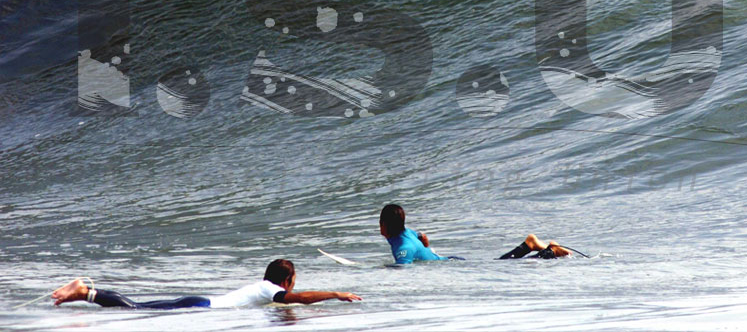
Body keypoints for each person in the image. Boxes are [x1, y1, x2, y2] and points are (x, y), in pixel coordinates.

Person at [51, 258, 361, 309]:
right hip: (199, 306)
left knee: (137, 306)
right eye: (293, 282)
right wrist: (335, 294)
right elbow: (300, 299)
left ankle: (82, 294)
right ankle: (84, 290)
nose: (293, 287)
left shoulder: (263, 287)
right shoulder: (270, 289)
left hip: (198, 303)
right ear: (286, 280)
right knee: (134, 307)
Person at [379, 204, 572, 264]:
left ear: (385, 225)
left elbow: (403, 271)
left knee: (504, 265)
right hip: (449, 260)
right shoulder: (406, 233)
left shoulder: (403, 248)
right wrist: (426, 250)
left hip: (450, 265)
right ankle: (529, 244)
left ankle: (549, 251)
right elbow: (422, 236)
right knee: (500, 263)